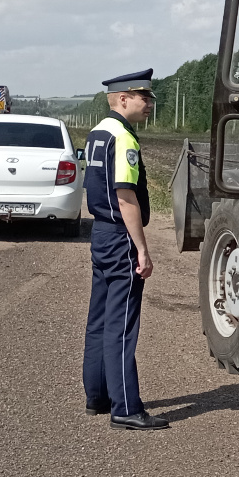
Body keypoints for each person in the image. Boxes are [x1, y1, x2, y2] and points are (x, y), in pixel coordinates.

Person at [82, 68, 168, 430]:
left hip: (101, 233)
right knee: (122, 325)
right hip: (120, 236)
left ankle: (97, 397)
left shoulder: (98, 134)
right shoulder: (125, 139)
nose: (150, 103)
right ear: (122, 99)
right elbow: (125, 195)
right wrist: (142, 249)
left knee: (99, 320)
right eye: (143, 97)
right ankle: (126, 408)